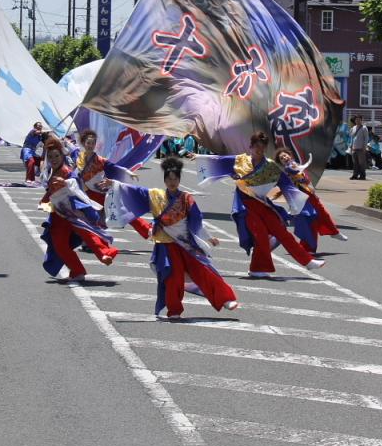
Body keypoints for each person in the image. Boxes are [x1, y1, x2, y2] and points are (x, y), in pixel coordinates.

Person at [104, 157, 239, 318]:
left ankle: (226, 298)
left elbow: (197, 221)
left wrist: (208, 238)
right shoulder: (155, 195)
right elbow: (134, 191)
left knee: (204, 270)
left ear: (179, 180)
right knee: (172, 277)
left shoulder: (187, 198)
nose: (172, 182)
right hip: (165, 243)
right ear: (165, 180)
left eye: (175, 179)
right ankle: (174, 310)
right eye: (169, 179)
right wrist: (114, 184)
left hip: (187, 242)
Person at [195, 130, 324, 277]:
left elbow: (285, 183)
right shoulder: (240, 161)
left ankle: (307, 261)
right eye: (257, 146)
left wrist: (295, 200)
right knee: (261, 235)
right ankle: (257, 268)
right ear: (251, 146)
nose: (259, 150)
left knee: (282, 232)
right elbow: (220, 160)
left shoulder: (269, 166)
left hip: (263, 204)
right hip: (246, 206)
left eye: (262, 147)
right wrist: (199, 157)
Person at [38, 136, 119, 281]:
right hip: (57, 215)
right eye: (50, 157)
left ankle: (105, 253)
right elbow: (50, 191)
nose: (54, 159)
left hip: (73, 210)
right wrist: (44, 202)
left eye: (56, 156)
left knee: (87, 232)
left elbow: (75, 182)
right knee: (59, 245)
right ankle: (77, 270)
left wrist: (66, 182)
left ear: (62, 155)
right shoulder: (49, 172)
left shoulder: (67, 171)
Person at [75, 129, 151, 239]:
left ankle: (147, 229)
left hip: (102, 191)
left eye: (93, 143)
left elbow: (114, 168)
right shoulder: (78, 159)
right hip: (88, 193)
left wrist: (128, 172)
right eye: (88, 143)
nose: (90, 146)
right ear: (83, 143)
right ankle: (92, 239)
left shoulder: (100, 160)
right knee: (91, 217)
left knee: (124, 209)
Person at [274, 147, 348, 252]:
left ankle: (334, 232)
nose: (285, 157)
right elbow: (293, 176)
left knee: (323, 214)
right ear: (281, 162)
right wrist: (294, 170)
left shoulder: (296, 166)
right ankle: (307, 247)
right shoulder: (288, 170)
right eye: (282, 158)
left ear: (290, 155)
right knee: (309, 222)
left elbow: (306, 180)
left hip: (310, 195)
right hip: (301, 200)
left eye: (285, 155)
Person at [349, 116, 369, 181]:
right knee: (355, 163)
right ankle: (355, 175)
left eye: (359, 120)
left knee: (361, 163)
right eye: (356, 120)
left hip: (361, 148)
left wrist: (364, 146)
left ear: (361, 120)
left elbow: (366, 138)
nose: (357, 121)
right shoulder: (353, 128)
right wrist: (351, 146)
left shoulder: (364, 128)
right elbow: (352, 138)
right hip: (354, 148)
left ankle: (362, 175)